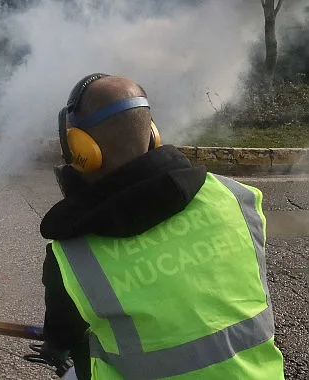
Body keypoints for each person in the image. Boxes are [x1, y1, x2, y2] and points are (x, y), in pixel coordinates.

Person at [36, 73, 286, 379]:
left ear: (81, 150)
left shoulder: (72, 256)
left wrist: (58, 347)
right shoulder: (236, 197)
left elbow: (63, 338)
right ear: (152, 133)